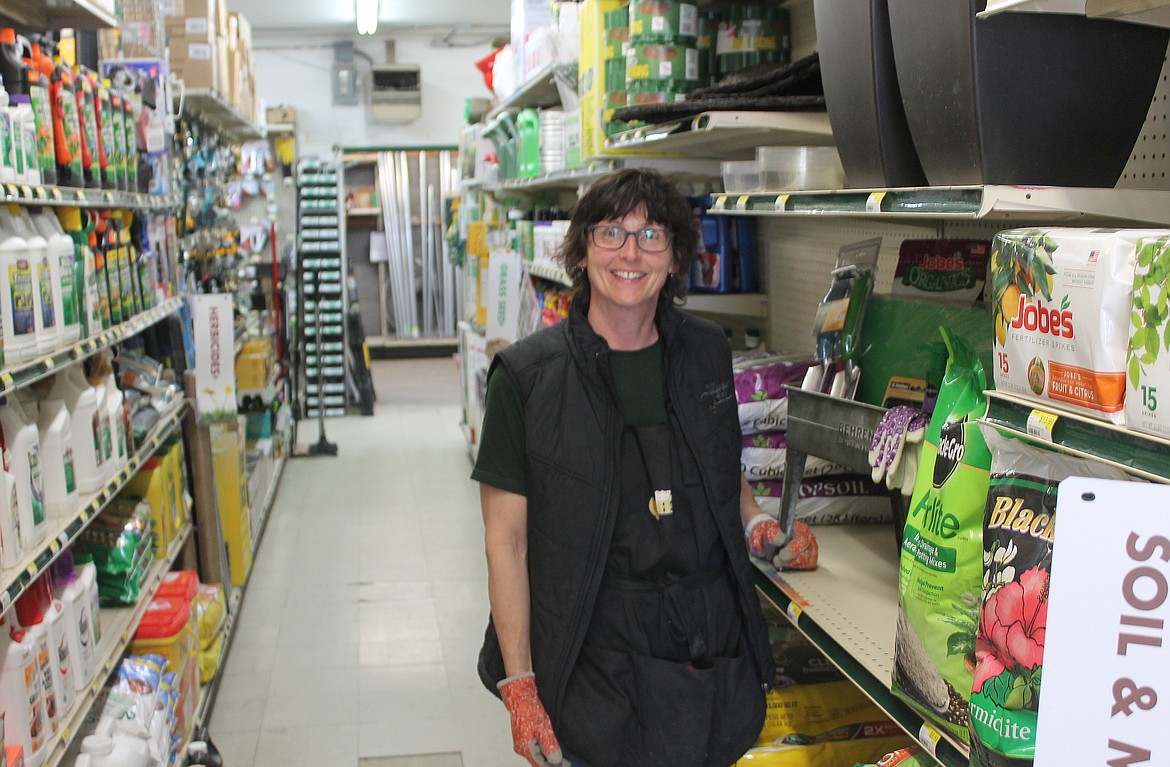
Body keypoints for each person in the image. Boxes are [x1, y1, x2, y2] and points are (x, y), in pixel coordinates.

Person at [473, 168, 788, 767]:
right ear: (581, 249)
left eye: (652, 237)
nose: (630, 253)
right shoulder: (527, 379)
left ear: (675, 258)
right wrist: (520, 686)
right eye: (612, 232)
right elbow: (505, 543)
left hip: (704, 653)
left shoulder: (706, 351)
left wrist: (756, 523)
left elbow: (720, 464)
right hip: (594, 662)